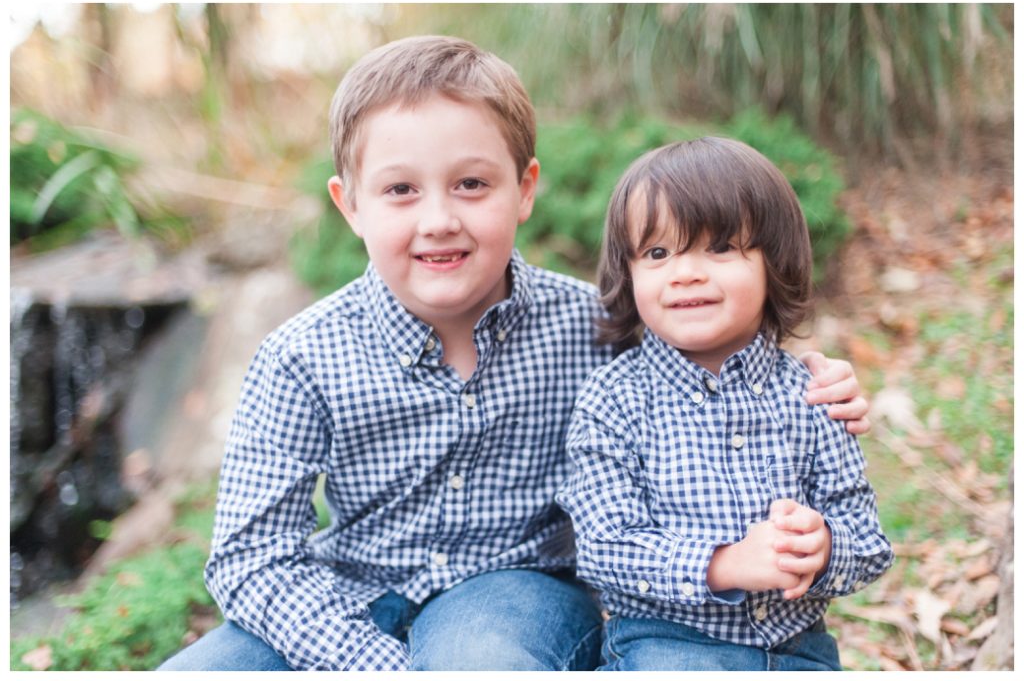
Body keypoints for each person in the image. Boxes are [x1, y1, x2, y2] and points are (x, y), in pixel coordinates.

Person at [158, 37, 870, 672]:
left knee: (484, 661)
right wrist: (373, 665)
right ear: (350, 207)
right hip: (348, 590)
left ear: (524, 189)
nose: (440, 219)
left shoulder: (599, 326)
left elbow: (715, 349)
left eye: (472, 184)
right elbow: (252, 560)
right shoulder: (300, 357)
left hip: (515, 592)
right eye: (400, 190)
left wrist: (814, 375)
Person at [556, 137, 894, 672]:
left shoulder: (811, 394)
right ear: (629, 272)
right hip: (664, 644)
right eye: (658, 253)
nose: (685, 272)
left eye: (719, 248)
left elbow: (869, 541)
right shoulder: (614, 400)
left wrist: (826, 548)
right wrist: (725, 564)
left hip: (797, 647)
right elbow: (603, 548)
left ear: (773, 264)